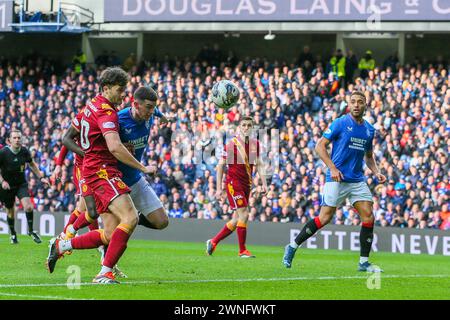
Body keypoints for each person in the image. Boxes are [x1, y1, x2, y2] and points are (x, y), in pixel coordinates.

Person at [46, 67, 155, 284]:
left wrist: (88, 154)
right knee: (130, 217)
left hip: (96, 169)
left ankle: (62, 244)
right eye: (120, 90)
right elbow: (114, 147)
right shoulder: (106, 112)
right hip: (102, 171)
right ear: (106, 88)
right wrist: (143, 168)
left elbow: (68, 137)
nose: (123, 94)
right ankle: (105, 272)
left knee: (110, 232)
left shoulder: (90, 107)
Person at [282, 91, 386, 272]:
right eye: (353, 102)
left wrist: (376, 172)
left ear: (365, 105)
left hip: (356, 179)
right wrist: (331, 168)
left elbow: (368, 156)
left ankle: (363, 262)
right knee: (324, 218)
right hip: (336, 178)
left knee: (368, 216)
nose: (356, 105)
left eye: (360, 102)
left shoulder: (369, 129)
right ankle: (292, 246)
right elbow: (319, 146)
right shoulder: (340, 123)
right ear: (348, 104)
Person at [206, 116, 268, 258]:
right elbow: (220, 166)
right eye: (244, 125)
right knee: (245, 215)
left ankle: (213, 242)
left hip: (247, 185)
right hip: (234, 184)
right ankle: (242, 251)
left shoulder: (255, 144)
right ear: (239, 127)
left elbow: (258, 163)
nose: (246, 127)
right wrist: (219, 189)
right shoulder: (231, 145)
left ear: (252, 128)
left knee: (237, 219)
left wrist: (264, 184)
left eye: (249, 125)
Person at [0, 130, 49, 244]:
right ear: (10, 140)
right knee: (11, 212)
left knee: (29, 207)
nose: (17, 140)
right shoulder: (3, 153)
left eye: (19, 138)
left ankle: (31, 231)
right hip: (7, 186)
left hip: (21, 184)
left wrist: (41, 177)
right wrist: (2, 181)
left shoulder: (24, 151)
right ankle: (13, 234)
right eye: (15, 138)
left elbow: (32, 164)